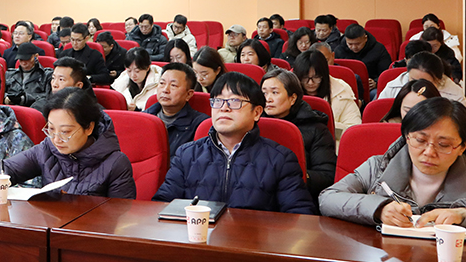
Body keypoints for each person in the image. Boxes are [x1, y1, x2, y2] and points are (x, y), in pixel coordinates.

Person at [320, 99, 466, 251]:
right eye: (420, 140)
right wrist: (379, 209)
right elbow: (328, 198)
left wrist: (465, 214)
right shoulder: (379, 167)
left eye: (443, 145)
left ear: (463, 146)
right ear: (407, 137)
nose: (429, 152)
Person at [153, 72, 315, 214]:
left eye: (234, 101)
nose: (224, 108)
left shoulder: (280, 159)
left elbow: (299, 216)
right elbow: (161, 205)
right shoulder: (187, 154)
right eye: (218, 101)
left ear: (257, 112)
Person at [0, 87, 135, 197]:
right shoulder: (47, 148)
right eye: (51, 129)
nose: (56, 139)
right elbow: (5, 168)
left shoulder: (116, 163)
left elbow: (120, 215)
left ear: (89, 128)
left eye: (65, 132)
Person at [261, 70, 336, 198]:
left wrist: (294, 175)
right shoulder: (253, 124)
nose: (268, 99)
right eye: (264, 93)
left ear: (292, 98)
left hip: (297, 193)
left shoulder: (316, 128)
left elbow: (327, 175)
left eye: (275, 93)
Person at [292, 50, 361, 140]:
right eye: (305, 78)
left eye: (316, 77)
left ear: (324, 75)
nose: (310, 83)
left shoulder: (341, 90)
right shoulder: (287, 91)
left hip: (332, 142)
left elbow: (353, 130)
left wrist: (326, 125)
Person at [144, 62, 207, 157]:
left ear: (189, 94)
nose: (165, 90)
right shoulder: (143, 118)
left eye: (173, 85)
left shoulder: (199, 125)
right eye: (162, 83)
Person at [379, 51, 466, 107]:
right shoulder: (393, 88)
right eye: (413, 80)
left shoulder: (454, 95)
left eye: (425, 82)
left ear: (438, 80)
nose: (418, 85)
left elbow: (465, 127)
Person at [335, 23, 394, 95]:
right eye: (350, 44)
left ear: (365, 38)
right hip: (344, 87)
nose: (354, 47)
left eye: (357, 44)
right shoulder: (339, 50)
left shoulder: (378, 49)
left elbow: (386, 72)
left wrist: (376, 82)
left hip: (370, 88)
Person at [4, 42, 51, 108]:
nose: (23, 62)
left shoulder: (46, 75)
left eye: (27, 59)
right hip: (10, 108)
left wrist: (25, 98)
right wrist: (6, 97)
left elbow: (48, 96)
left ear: (36, 56)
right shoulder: (9, 74)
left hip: (35, 109)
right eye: (21, 59)